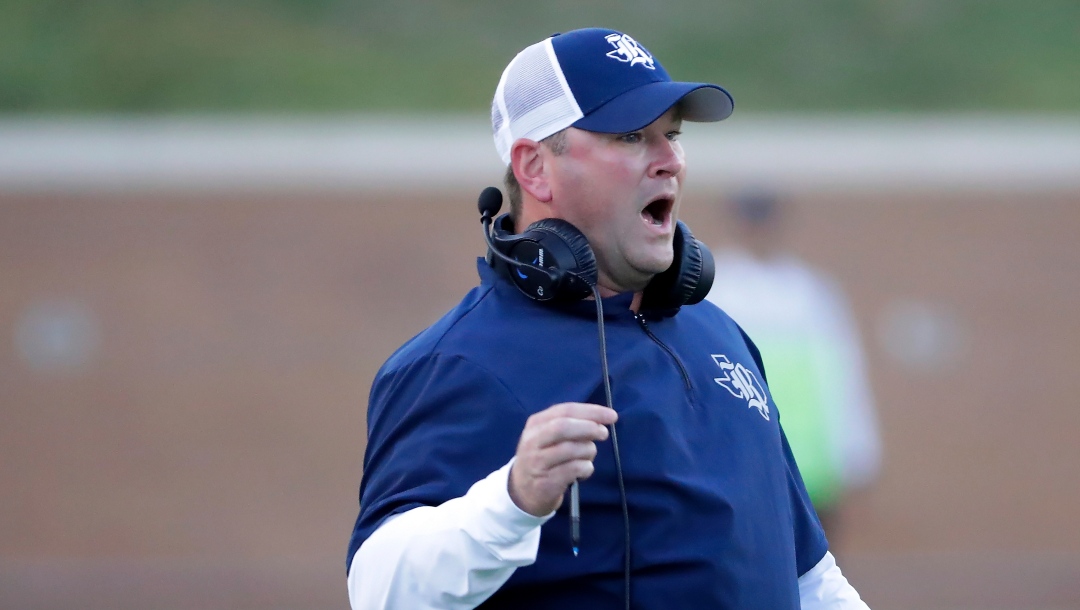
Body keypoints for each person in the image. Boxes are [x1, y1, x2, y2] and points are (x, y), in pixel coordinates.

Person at [346, 28, 870, 609]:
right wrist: (513, 500)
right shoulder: (458, 361)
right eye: (631, 136)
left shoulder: (720, 334)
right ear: (535, 168)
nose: (670, 161)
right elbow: (377, 589)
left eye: (672, 135)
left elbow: (810, 579)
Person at [705, 190, 882, 543]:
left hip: (811, 469)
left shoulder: (812, 292)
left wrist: (857, 448)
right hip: (744, 463)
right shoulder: (716, 290)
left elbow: (841, 373)